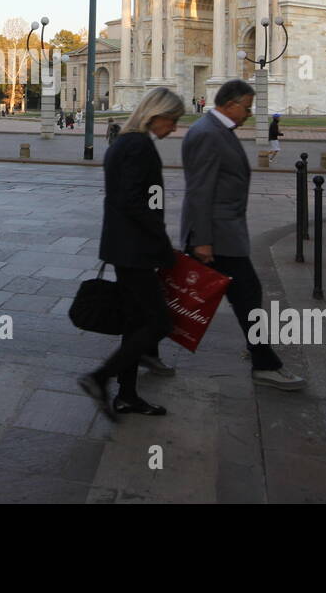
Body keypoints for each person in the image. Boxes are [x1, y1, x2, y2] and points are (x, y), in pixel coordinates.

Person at [181, 80, 306, 391]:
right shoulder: (208, 134)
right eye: (247, 108)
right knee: (246, 298)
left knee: (184, 298)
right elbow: (200, 190)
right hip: (217, 237)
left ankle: (141, 348)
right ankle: (265, 363)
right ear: (230, 104)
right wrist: (203, 240)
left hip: (220, 234)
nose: (249, 114)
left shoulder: (216, 130)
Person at [79, 88, 184, 420]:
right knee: (159, 322)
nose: (175, 128)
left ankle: (127, 395)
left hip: (123, 246)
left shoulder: (122, 143)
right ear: (157, 114)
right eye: (174, 120)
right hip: (137, 250)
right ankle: (100, 377)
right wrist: (162, 242)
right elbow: (136, 202)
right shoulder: (139, 146)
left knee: (135, 321)